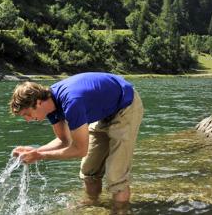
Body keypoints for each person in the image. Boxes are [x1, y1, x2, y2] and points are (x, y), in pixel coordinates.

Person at [8, 72, 144, 206]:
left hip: (125, 106)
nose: (27, 120)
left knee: (115, 176)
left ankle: (120, 211)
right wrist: (34, 152)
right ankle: (92, 205)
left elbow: (80, 150)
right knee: (89, 171)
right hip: (104, 112)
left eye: (27, 114)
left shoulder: (71, 102)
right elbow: (64, 141)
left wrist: (39, 155)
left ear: (37, 103)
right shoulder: (50, 107)